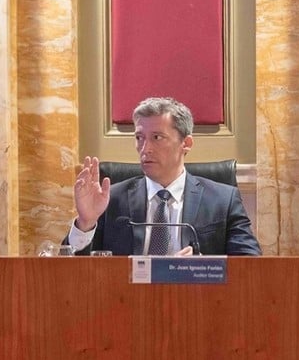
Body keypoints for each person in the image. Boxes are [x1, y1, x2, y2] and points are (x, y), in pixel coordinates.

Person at [66, 97, 261, 256]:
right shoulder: (111, 200)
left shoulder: (222, 200)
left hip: (196, 301)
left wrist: (204, 269)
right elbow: (75, 274)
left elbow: (250, 267)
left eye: (157, 138)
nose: (145, 149)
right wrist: (86, 223)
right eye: (139, 138)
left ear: (186, 143)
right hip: (126, 302)